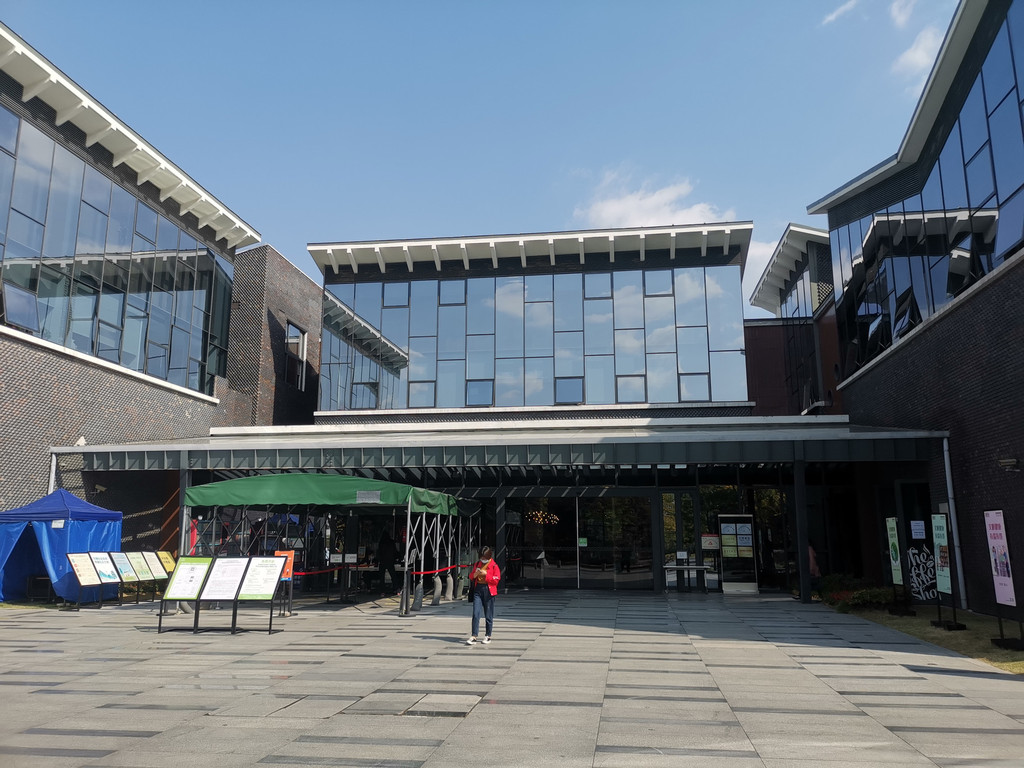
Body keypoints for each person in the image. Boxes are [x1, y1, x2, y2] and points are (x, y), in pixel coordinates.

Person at [467, 545, 501, 645]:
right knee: (475, 613)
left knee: (488, 614)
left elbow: (496, 580)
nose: (482, 559)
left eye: (484, 557)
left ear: (489, 556)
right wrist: (475, 574)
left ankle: (488, 635)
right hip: (478, 589)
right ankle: (474, 635)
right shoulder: (477, 564)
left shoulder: (494, 566)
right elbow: (471, 576)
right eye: (481, 557)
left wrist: (486, 574)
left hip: (489, 590)